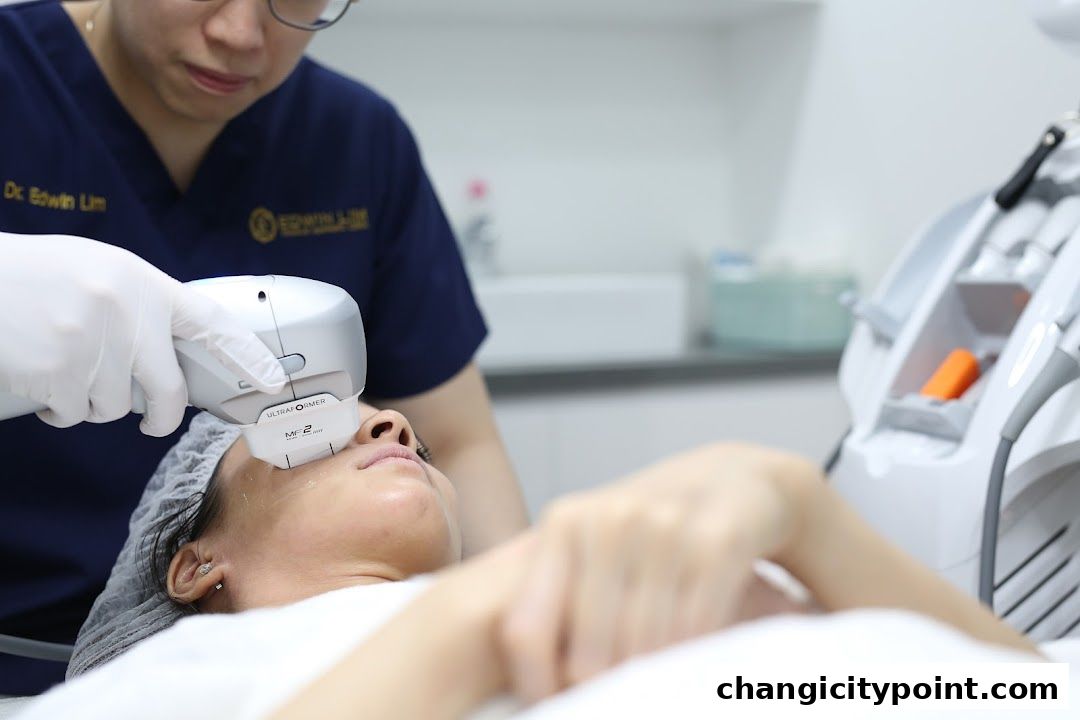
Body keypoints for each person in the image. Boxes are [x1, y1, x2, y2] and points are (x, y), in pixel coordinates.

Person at [0, 0, 527, 693]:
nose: (240, 35)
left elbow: (457, 437)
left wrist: (519, 632)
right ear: (194, 567)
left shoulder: (355, 141)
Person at [21, 403, 1038, 720]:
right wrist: (474, 617)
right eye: (303, 430)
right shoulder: (179, 685)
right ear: (195, 565)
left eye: (391, 420)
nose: (392, 419)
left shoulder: (594, 568)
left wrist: (796, 506)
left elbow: (1027, 687)